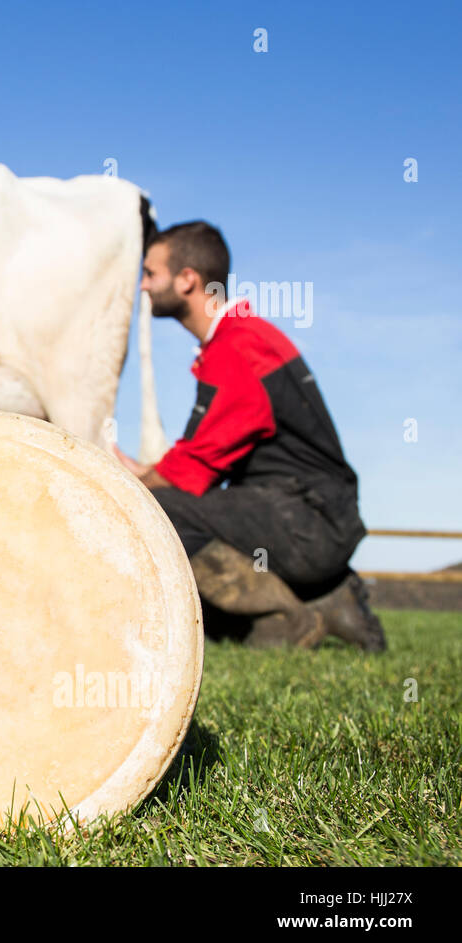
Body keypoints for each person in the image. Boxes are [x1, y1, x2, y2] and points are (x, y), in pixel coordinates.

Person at [111, 221, 385, 651]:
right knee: (164, 501)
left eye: (150, 273)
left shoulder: (237, 348)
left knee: (154, 510)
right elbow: (205, 456)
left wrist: (122, 486)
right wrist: (148, 471)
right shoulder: (241, 337)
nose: (142, 286)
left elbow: (191, 473)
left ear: (187, 280)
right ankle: (329, 596)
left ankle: (286, 618)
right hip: (308, 515)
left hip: (308, 521)